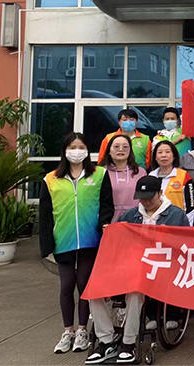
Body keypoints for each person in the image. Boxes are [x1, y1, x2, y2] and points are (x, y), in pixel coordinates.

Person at [86, 176, 188, 364]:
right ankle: (106, 340)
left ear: (160, 193)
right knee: (95, 291)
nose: (146, 202)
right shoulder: (130, 215)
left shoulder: (176, 216)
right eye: (141, 198)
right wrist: (111, 232)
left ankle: (128, 343)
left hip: (159, 269)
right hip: (129, 267)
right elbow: (118, 244)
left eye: (150, 197)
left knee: (135, 291)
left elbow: (185, 247)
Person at [39, 132, 114, 354]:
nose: (77, 151)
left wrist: (103, 226)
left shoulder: (99, 174)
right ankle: (67, 331)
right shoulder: (51, 179)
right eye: (72, 147)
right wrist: (46, 246)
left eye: (81, 147)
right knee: (66, 286)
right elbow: (44, 215)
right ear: (65, 151)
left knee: (84, 284)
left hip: (90, 241)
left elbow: (107, 205)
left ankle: (82, 330)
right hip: (63, 240)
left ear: (87, 150)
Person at [99, 134, 146, 222]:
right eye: (116, 146)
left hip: (135, 222)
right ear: (109, 151)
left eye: (125, 147)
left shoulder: (140, 172)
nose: (121, 149)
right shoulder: (101, 172)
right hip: (108, 222)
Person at [149, 140, 192, 211]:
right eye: (160, 152)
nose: (164, 155)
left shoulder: (184, 176)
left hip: (178, 217)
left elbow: (190, 205)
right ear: (155, 157)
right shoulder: (151, 176)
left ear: (174, 156)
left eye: (167, 152)